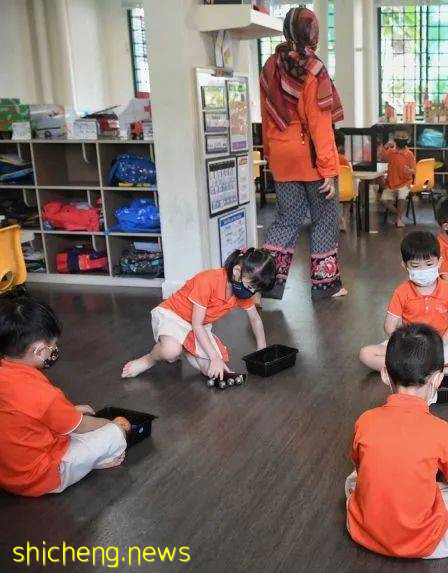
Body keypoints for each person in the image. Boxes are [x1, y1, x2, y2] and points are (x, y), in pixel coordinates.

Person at [346, 324, 448, 559]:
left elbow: (359, 467)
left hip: (363, 530)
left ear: (384, 374)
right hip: (422, 541)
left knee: (355, 478)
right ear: (438, 379)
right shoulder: (443, 431)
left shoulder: (365, 420)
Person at [260, 6, 347, 300]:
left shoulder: (271, 64)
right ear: (312, 33)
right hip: (310, 158)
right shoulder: (314, 69)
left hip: (281, 155)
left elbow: (266, 116)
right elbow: (319, 123)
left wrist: (271, 155)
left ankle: (262, 283)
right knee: (325, 219)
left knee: (287, 218)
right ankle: (325, 285)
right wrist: (329, 169)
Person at [0, 297, 127, 496]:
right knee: (115, 434)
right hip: (40, 478)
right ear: (39, 351)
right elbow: (81, 426)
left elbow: (21, 413)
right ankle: (88, 465)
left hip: (6, 473)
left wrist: (69, 412)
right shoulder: (42, 394)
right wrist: (110, 424)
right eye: (52, 345)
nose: (54, 349)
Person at [122, 249, 276, 380]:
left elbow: (255, 319)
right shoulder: (208, 280)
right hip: (174, 316)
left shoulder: (243, 291)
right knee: (171, 351)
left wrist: (261, 350)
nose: (251, 292)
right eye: (250, 286)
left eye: (255, 290)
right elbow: (196, 325)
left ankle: (185, 347)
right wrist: (214, 357)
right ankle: (149, 359)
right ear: (236, 271)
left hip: (199, 325)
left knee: (213, 371)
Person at [359, 231, 448, 376]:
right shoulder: (401, 292)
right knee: (366, 354)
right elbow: (389, 326)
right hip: (410, 347)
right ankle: (427, 371)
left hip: (443, 345)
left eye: (429, 264)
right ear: (405, 265)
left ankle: (438, 373)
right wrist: (407, 343)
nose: (423, 270)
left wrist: (441, 343)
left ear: (439, 262)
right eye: (415, 266)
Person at [379, 128, 416, 228]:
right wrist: (385, 147)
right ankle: (398, 214)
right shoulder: (390, 152)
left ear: (408, 139)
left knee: (401, 197)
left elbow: (414, 170)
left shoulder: (409, 154)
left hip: (405, 182)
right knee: (384, 201)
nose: (400, 139)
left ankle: (398, 218)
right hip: (391, 183)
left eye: (403, 137)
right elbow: (382, 157)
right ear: (394, 138)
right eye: (398, 136)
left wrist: (410, 171)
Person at [335, 129, 352, 232]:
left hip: (331, 191)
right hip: (345, 192)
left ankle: (337, 218)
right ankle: (344, 218)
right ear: (341, 146)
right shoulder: (343, 159)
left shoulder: (328, 158)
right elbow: (350, 173)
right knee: (348, 199)